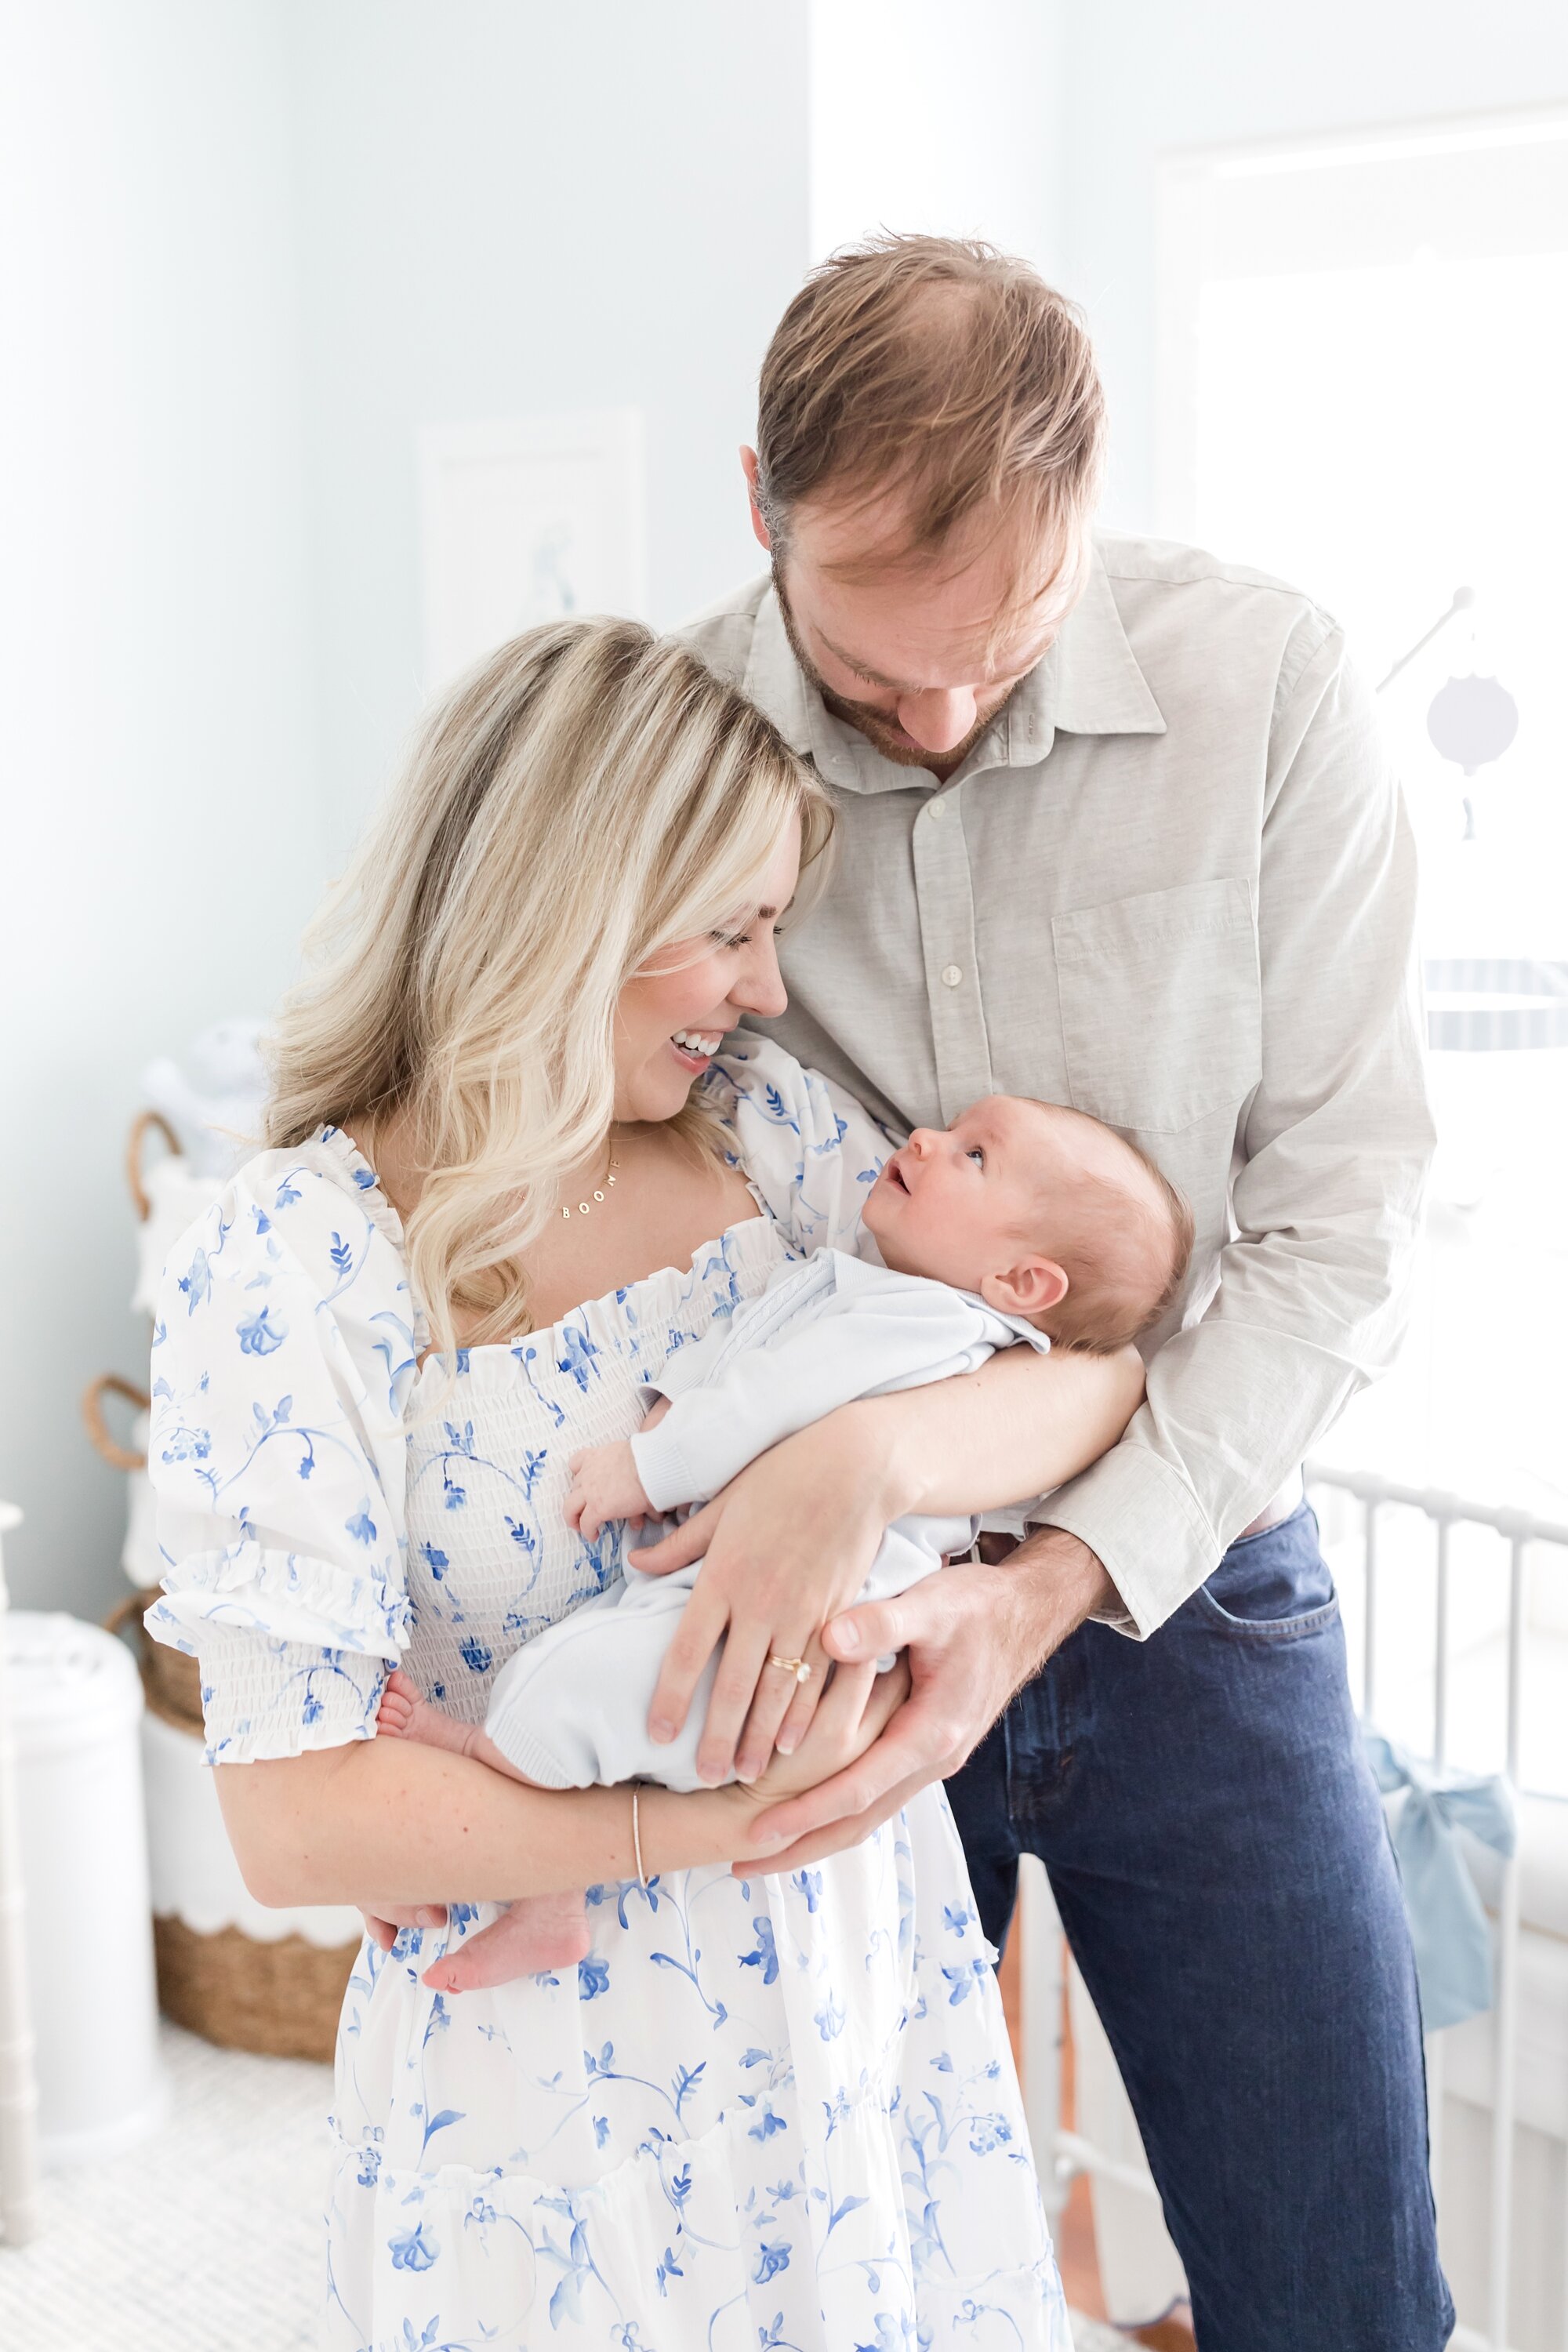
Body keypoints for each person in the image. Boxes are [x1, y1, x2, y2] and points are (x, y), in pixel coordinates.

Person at [144, 617, 1141, 2350]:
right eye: (730, 931)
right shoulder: (301, 1256)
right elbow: (293, 1817)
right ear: (568, 915)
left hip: (836, 2003)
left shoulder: (771, 1139)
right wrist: (679, 1834)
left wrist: (860, 1456)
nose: (768, 987)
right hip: (546, 2087)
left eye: (774, 929)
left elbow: (1091, 1385)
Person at [666, 235, 1449, 2350]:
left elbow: (1347, 1215)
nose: (932, 719)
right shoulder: (660, 738)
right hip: (823, 1604)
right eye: (866, 664)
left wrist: (1047, 1584)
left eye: (993, 652)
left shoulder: (1268, 684)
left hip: (1194, 1588)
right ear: (761, 504)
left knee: (1342, 2292)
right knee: (832, 2281)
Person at [376, 1083, 1192, 1990]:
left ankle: (489, 1789)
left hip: (772, 1653)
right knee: (593, 1668)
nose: (923, 1139)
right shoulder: (905, 1309)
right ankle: (548, 1896)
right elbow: (755, 1359)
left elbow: (768, 1400)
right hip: (750, 1624)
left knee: (570, 1682)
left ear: (1021, 1284)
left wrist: (647, 1469)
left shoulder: (928, 1323)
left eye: (973, 1157)